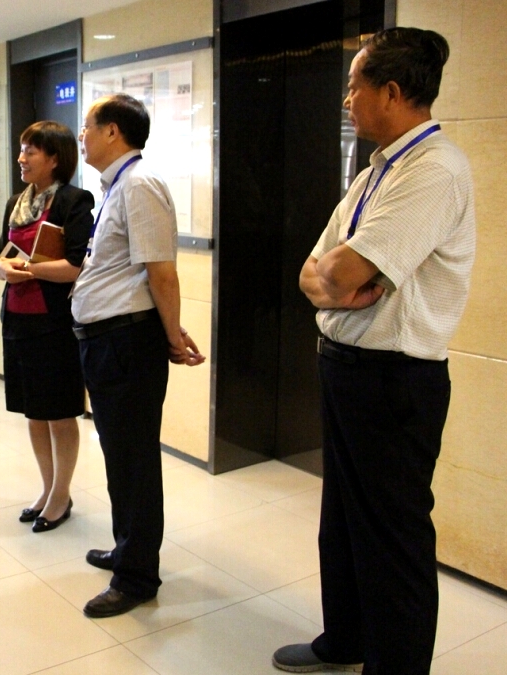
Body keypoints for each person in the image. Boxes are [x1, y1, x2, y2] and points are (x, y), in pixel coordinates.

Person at [272, 28, 475, 674]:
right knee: (341, 518)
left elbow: (343, 269)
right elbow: (313, 271)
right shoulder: (373, 172)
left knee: (393, 537)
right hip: (344, 366)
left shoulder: (435, 169)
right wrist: (332, 282)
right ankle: (346, 640)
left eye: (353, 86)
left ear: (391, 91)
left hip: (396, 378)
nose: (346, 100)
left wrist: (333, 278)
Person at [72, 94, 205, 618]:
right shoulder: (117, 186)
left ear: (113, 132)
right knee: (119, 455)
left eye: (87, 127)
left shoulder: (140, 184)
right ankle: (126, 547)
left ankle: (137, 577)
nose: (81, 136)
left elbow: (161, 272)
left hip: (127, 341)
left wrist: (172, 336)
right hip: (108, 339)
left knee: (134, 461)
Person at [0, 121, 94, 533]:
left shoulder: (74, 201)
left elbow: (77, 265)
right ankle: (48, 489)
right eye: (21, 150)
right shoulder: (16, 203)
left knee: (59, 413)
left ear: (54, 158)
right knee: (34, 411)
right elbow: (0, 255)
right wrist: (0, 268)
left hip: (55, 325)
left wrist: (29, 270)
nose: (21, 158)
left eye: (30, 151)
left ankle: (61, 495)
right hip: (17, 320)